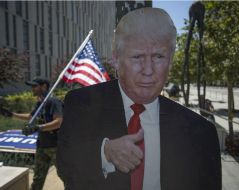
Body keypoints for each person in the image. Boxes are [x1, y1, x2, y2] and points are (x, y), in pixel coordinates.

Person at [57, 8, 221, 190]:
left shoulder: (201, 132)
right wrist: (105, 152)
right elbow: (65, 164)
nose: (148, 70)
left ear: (171, 60)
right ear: (116, 59)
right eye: (137, 57)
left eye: (158, 56)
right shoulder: (81, 104)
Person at [0, 77, 63, 190]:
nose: (32, 89)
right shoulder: (40, 102)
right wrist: (11, 114)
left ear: (44, 86)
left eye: (35, 86)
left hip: (56, 146)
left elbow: (58, 122)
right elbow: (31, 117)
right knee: (38, 177)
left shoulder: (53, 101)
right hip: (42, 145)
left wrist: (37, 128)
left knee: (65, 175)